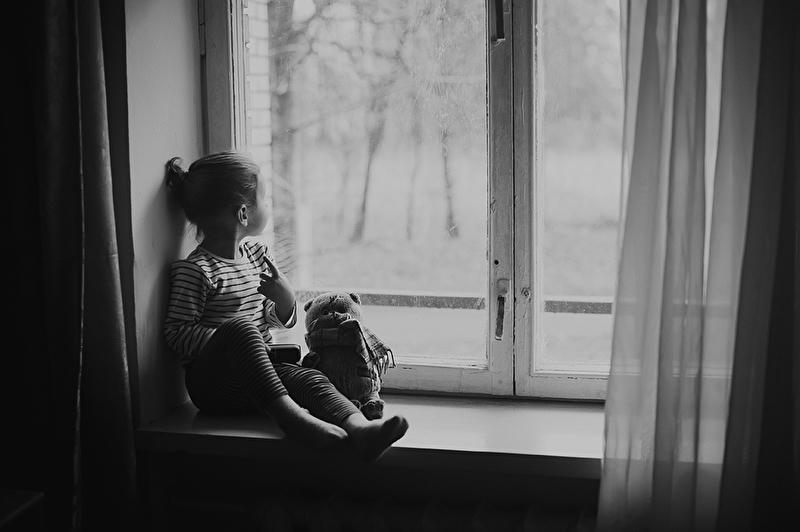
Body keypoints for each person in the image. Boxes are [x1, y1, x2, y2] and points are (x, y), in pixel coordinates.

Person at [163, 151, 408, 462]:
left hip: (259, 381)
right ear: (243, 214)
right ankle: (292, 419)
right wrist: (236, 340)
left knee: (311, 377)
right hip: (213, 386)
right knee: (241, 330)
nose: (268, 206)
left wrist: (284, 298)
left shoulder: (256, 256)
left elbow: (273, 318)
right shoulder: (196, 270)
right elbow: (176, 332)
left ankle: (360, 428)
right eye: (263, 199)